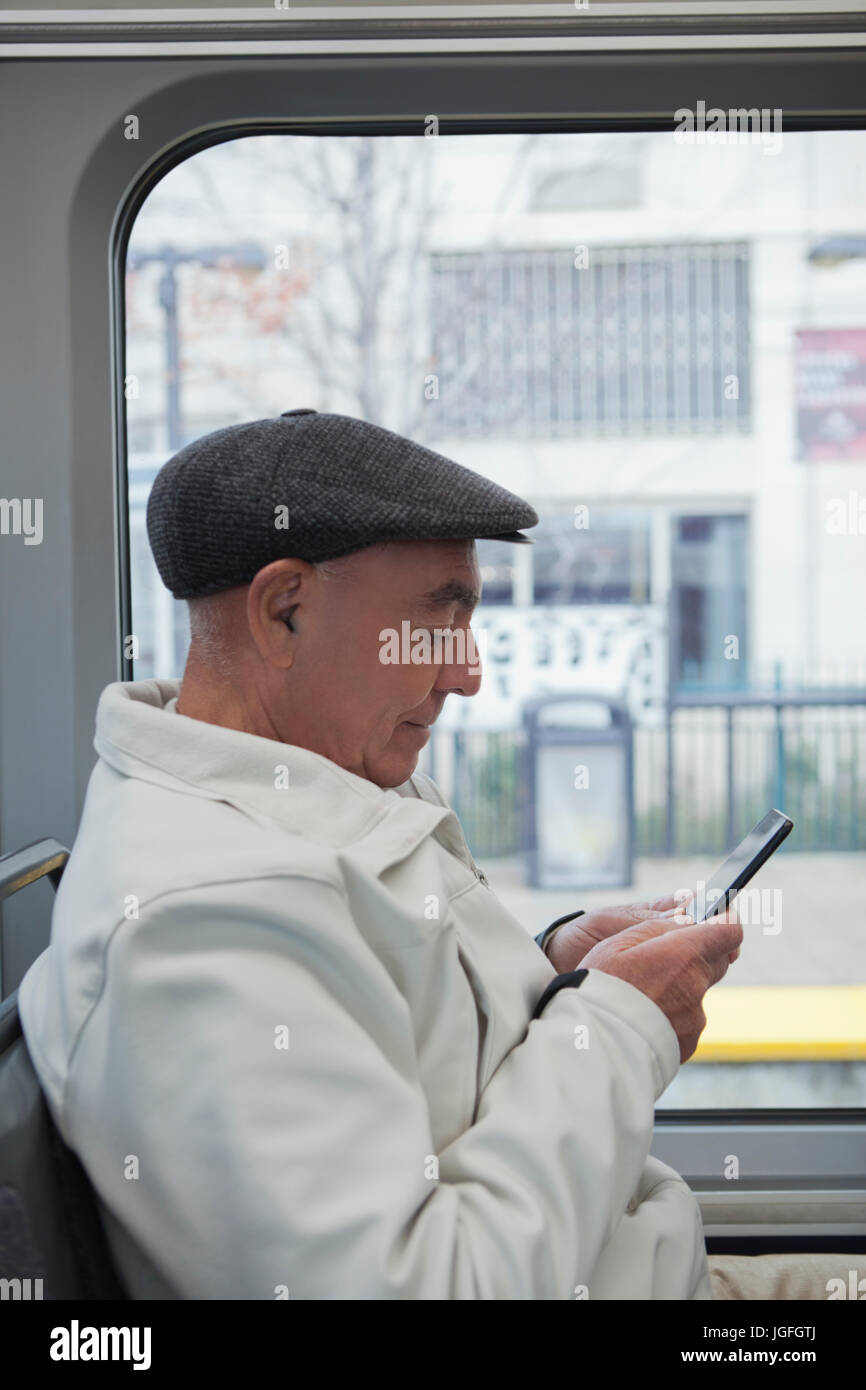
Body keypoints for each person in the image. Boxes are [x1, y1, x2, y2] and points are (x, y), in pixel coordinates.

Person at [18, 408, 745, 1299]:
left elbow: (417, 1033)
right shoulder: (201, 923)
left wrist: (556, 970)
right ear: (284, 612)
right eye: (442, 618)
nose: (468, 670)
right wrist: (622, 1033)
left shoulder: (327, 772)